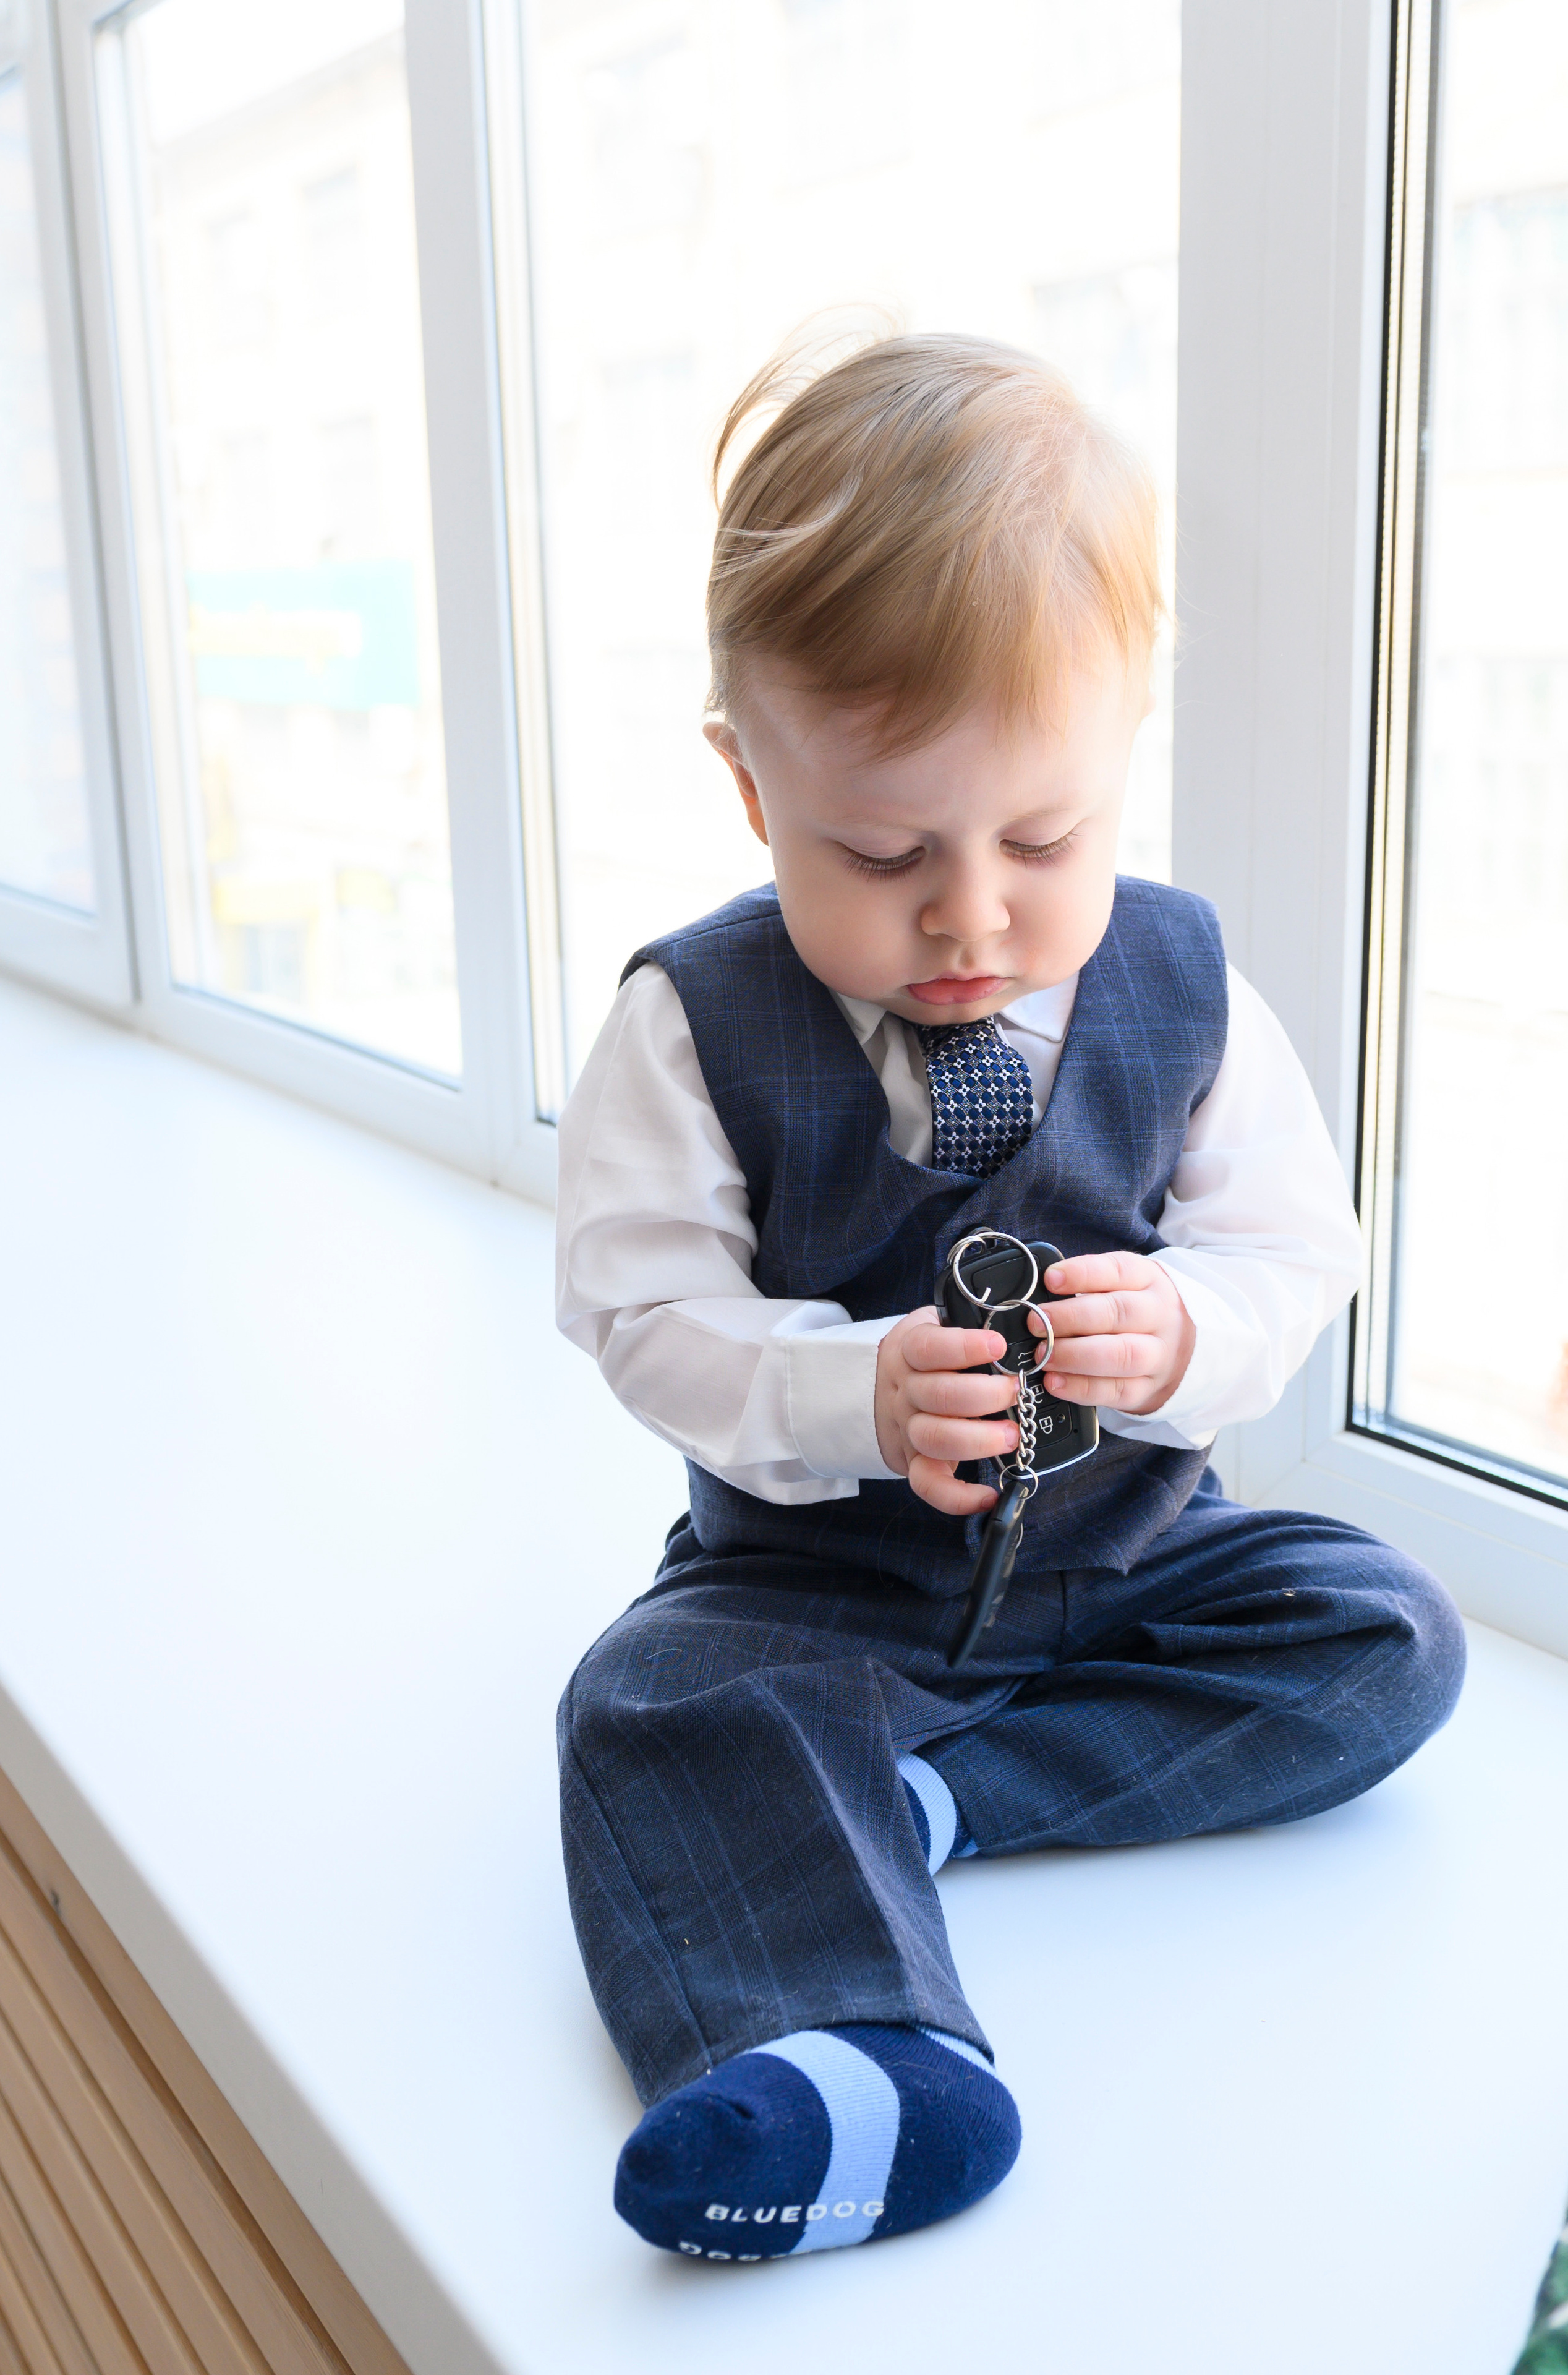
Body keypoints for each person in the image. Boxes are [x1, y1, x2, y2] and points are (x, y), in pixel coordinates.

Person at [555, 333, 1465, 2264]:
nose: (969, 914)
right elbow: (640, 1309)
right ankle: (861, 2055)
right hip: (816, 1594)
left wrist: (1190, 1336)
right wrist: (841, 1387)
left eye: (1042, 840)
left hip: (1131, 1562)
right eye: (882, 852)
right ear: (748, 786)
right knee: (644, 1702)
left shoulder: (1189, 987)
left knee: (1387, 1632)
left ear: (1127, 744)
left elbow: (1301, 1247)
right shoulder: (691, 1021)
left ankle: (935, 1806)